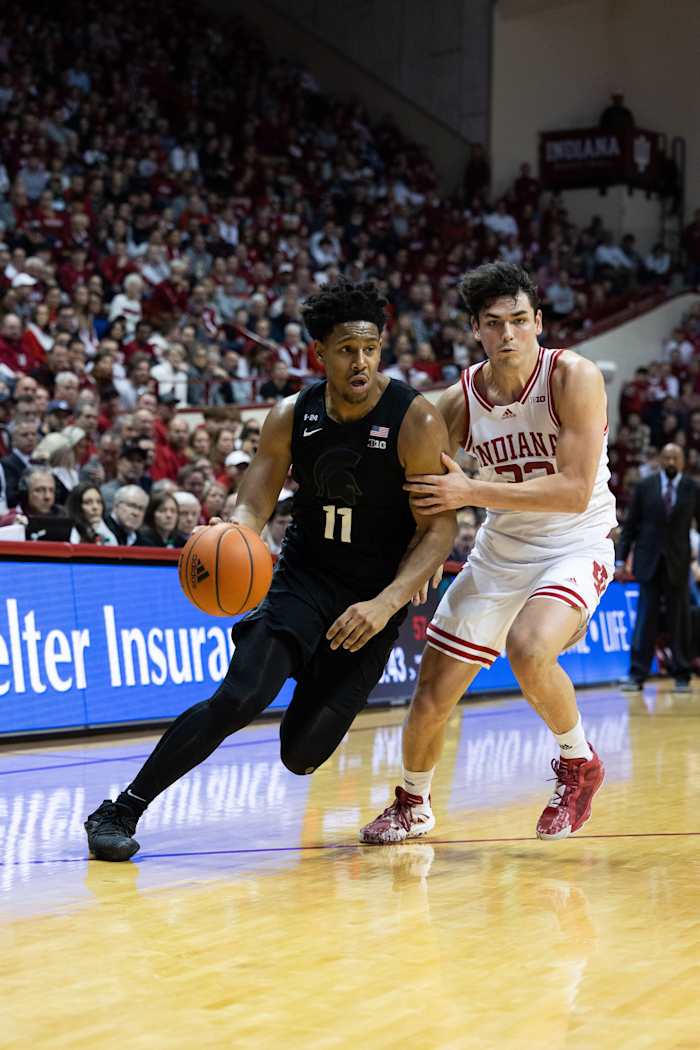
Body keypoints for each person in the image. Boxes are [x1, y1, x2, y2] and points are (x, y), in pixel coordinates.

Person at [85, 279, 455, 861]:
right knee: (239, 698)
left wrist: (387, 603)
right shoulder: (290, 415)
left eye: (370, 348)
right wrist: (236, 536)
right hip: (304, 579)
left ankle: (310, 669)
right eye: (346, 350)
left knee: (301, 755)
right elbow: (253, 504)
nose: (360, 362)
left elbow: (440, 530)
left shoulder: (416, 420)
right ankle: (120, 809)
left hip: (372, 599)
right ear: (320, 353)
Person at [360, 262, 618, 845]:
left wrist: (471, 491)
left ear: (538, 322)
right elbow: (423, 484)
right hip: (500, 550)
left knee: (529, 648)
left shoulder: (572, 377)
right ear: (476, 328)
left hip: (575, 540)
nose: (508, 334)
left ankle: (578, 761)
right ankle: (413, 803)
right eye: (495, 323)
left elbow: (574, 491)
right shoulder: (459, 400)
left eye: (519, 320)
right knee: (431, 693)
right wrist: (422, 552)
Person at [617, 443, 700, 691]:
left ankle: (682, 674)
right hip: (648, 562)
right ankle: (636, 675)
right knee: (645, 620)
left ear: (683, 461)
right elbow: (630, 526)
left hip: (678, 564)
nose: (671, 462)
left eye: (675, 458)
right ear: (660, 460)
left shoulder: (692, 488)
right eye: (667, 457)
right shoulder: (645, 486)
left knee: (680, 621)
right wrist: (621, 560)